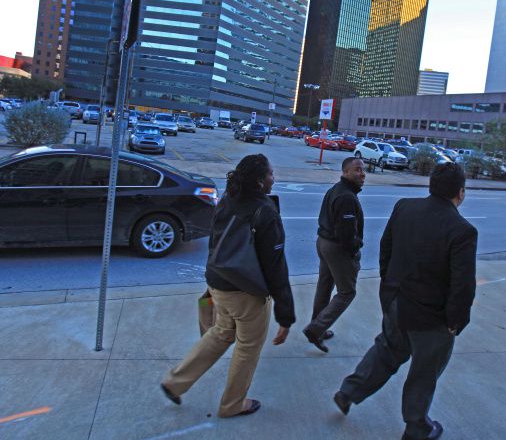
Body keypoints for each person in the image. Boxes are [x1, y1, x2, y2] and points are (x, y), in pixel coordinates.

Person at [334, 162, 477, 440]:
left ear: (431, 186)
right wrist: (456, 321)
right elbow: (463, 285)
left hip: (397, 302)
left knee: (386, 351)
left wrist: (389, 289)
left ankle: (348, 392)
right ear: (460, 193)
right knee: (424, 370)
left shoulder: (405, 208)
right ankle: (416, 426)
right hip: (431, 317)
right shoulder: (462, 230)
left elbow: (385, 249)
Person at [160, 154, 295, 417]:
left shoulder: (227, 199)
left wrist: (210, 283)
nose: (273, 178)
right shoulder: (265, 211)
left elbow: (215, 243)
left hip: (218, 283)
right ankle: (233, 404)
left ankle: (174, 382)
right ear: (259, 181)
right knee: (247, 346)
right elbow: (275, 267)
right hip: (245, 292)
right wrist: (286, 315)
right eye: (270, 174)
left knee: (222, 332)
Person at [303, 157, 366, 352]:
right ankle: (316, 328)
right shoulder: (346, 196)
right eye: (357, 170)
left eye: (363, 170)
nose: (362, 174)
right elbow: (346, 235)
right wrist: (356, 248)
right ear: (345, 172)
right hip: (336, 247)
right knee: (347, 292)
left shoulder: (336, 190)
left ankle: (318, 327)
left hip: (323, 243)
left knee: (325, 285)